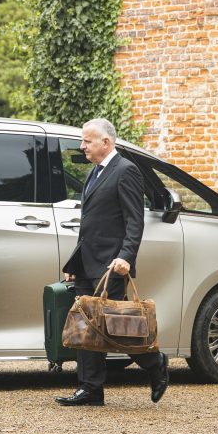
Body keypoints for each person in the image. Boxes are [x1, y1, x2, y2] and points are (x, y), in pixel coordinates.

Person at [55, 117, 169, 406]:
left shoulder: (126, 171)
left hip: (112, 265)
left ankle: (156, 364)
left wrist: (126, 257)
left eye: (87, 141)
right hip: (87, 263)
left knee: (118, 327)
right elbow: (91, 225)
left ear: (106, 142)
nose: (82, 147)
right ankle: (90, 389)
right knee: (85, 327)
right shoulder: (95, 173)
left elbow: (135, 221)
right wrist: (74, 265)